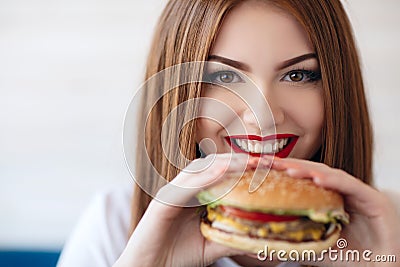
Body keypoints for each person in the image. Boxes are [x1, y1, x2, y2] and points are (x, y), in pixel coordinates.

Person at [57, 0, 400, 266]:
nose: (262, 117)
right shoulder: (112, 225)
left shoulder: (390, 229)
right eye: (224, 77)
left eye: (298, 75)